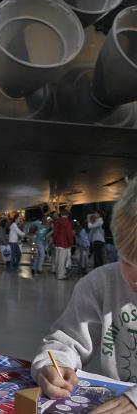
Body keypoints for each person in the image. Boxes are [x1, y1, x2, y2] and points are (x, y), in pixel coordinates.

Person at [31, 177, 137, 413]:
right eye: (128, 262)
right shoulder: (101, 284)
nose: (135, 279)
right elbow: (66, 340)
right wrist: (53, 364)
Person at [51, 210, 74, 280]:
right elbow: (69, 234)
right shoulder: (67, 223)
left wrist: (54, 241)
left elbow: (55, 233)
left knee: (57, 259)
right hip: (64, 244)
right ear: (67, 215)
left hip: (57, 243)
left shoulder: (57, 222)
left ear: (61, 215)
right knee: (62, 260)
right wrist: (71, 243)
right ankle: (60, 275)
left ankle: (57, 272)